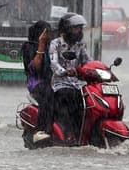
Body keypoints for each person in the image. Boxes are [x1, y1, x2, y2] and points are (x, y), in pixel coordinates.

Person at [49, 13, 91, 144]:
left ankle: (86, 134)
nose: (79, 31)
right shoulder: (55, 44)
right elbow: (53, 63)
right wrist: (65, 71)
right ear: (66, 29)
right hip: (60, 85)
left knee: (89, 103)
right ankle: (67, 134)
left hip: (78, 84)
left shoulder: (80, 45)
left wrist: (100, 70)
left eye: (80, 28)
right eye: (76, 28)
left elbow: (88, 61)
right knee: (69, 98)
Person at [22, 21, 55, 144]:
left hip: (55, 80)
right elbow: (35, 68)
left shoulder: (54, 46)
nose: (49, 36)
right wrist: (41, 45)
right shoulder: (29, 47)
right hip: (37, 82)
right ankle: (42, 130)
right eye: (46, 33)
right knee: (48, 92)